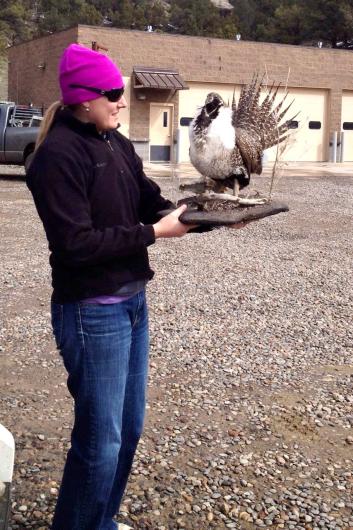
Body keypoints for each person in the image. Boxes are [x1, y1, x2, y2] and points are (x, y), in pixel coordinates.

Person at [26, 43, 248, 530]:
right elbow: (75, 244)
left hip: (131, 303)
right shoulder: (56, 156)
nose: (122, 102)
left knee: (127, 432)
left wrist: (215, 216)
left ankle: (100, 522)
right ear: (83, 98)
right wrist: (152, 234)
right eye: (113, 94)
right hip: (91, 313)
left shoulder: (116, 143)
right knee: (98, 441)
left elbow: (152, 202)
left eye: (121, 93)